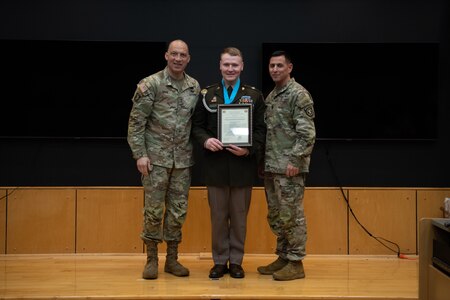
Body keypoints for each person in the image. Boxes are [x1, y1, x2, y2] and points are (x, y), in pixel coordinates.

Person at [127, 39, 200, 280]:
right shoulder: (151, 84)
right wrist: (140, 154)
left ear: (188, 59)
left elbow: (195, 122)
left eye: (183, 55)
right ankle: (151, 259)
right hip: (155, 160)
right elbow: (136, 123)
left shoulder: (193, 87)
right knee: (154, 211)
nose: (178, 58)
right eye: (174, 54)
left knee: (178, 212)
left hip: (182, 162)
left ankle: (172, 259)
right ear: (166, 56)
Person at [192, 47, 266, 279]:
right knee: (218, 218)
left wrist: (248, 149)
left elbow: (262, 130)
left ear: (242, 66)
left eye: (235, 65)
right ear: (220, 66)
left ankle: (236, 261)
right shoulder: (208, 94)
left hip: (242, 167)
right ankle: (219, 261)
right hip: (215, 168)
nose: (230, 69)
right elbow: (196, 126)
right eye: (226, 64)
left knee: (239, 218)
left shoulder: (254, 95)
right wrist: (205, 141)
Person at [257, 50, 316, 281]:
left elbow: (307, 134)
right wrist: (263, 162)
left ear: (289, 68)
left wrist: (295, 160)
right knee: (277, 215)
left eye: (280, 65)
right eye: (272, 66)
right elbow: (271, 134)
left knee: (292, 216)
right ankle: (283, 256)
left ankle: (296, 262)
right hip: (273, 167)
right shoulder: (272, 96)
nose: (275, 69)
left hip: (290, 168)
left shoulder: (298, 95)